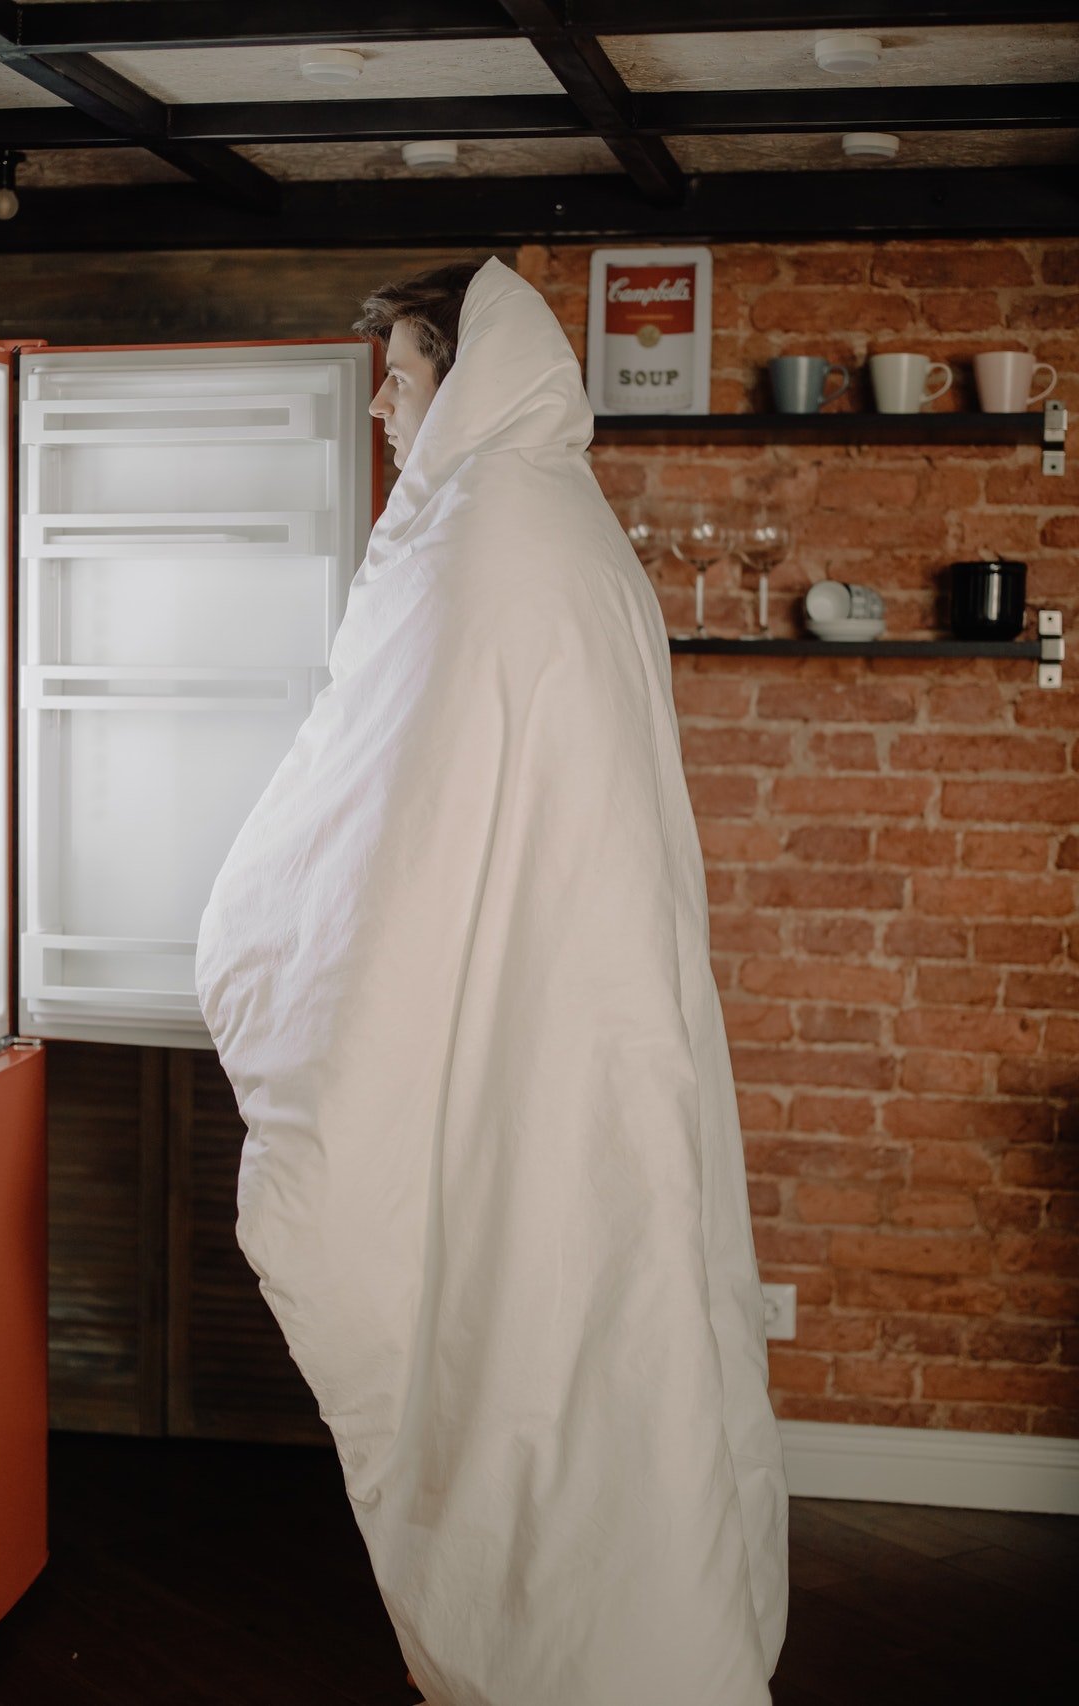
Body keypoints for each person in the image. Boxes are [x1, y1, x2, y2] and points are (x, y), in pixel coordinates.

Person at [196, 255, 789, 1705]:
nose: (387, 408)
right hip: (592, 1008)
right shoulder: (556, 517)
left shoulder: (493, 529)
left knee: (540, 1316)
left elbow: (398, 807)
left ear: (463, 371)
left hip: (540, 1018)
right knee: (612, 1306)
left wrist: (269, 927)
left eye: (401, 375)